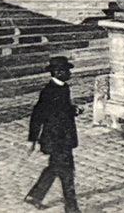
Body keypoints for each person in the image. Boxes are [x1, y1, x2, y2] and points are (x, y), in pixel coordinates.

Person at [25, 56, 81, 212]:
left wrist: (73, 110)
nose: (69, 73)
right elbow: (38, 115)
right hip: (55, 139)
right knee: (67, 171)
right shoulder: (48, 92)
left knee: (55, 168)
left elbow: (61, 111)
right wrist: (32, 139)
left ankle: (35, 195)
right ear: (57, 72)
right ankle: (71, 208)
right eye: (66, 71)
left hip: (64, 137)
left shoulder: (64, 87)